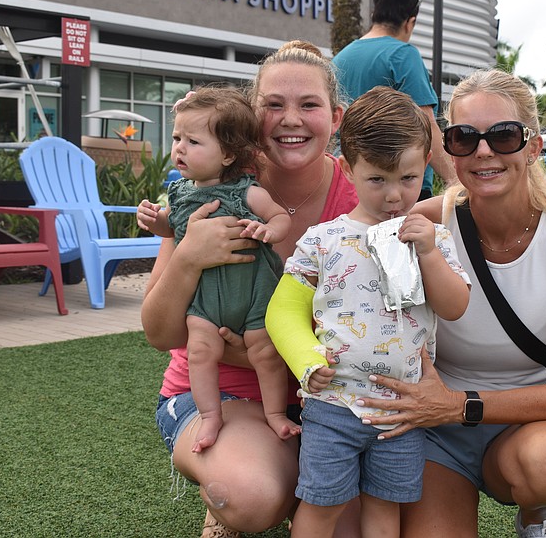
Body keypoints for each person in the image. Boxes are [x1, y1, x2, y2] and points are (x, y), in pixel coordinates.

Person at [355, 69, 546, 538]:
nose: (483, 151)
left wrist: (458, 405)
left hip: (522, 427)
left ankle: (536, 517)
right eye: (463, 137)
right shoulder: (426, 223)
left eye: (503, 135)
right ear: (450, 152)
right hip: (433, 432)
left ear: (534, 147)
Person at [141, 40, 358, 538]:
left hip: (333, 398)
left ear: (336, 116)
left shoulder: (359, 195)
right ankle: (247, 482)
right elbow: (158, 332)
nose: (290, 119)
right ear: (247, 119)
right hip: (219, 394)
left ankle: (298, 476)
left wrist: (262, 351)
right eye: (273, 105)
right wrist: (189, 252)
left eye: (309, 105)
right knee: (250, 495)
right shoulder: (210, 191)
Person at [265, 86, 471, 537]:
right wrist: (307, 360)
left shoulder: (432, 238)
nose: (395, 196)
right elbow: (281, 313)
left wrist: (430, 253)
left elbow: (454, 306)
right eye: (378, 179)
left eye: (409, 178)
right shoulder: (322, 240)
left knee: (384, 509)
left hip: (402, 410)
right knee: (320, 507)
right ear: (348, 169)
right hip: (332, 403)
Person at [136, 86, 300, 453]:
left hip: (254, 296)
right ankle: (210, 415)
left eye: (193, 141)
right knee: (199, 351)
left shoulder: (246, 192)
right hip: (207, 302)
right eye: (178, 137)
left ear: (227, 154)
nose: (179, 148)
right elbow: (173, 228)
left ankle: (275, 414)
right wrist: (155, 221)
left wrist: (268, 230)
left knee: (266, 354)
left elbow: (278, 216)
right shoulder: (180, 193)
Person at [332, 0, 455, 200]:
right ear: (410, 22)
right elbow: (426, 124)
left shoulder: (340, 59)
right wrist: (457, 183)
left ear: (373, 14)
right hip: (398, 190)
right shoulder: (402, 55)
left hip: (348, 183)